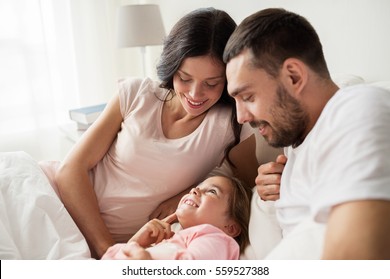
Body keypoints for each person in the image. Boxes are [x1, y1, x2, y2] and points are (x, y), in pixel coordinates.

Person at [39, 7, 260, 259]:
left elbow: (245, 190)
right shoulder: (136, 94)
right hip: (54, 201)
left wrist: (183, 194)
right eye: (185, 78)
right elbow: (70, 170)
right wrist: (106, 249)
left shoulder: (231, 124)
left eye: (211, 83)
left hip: (109, 246)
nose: (195, 94)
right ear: (172, 66)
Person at [223, 8, 390, 259]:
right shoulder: (297, 140)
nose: (241, 117)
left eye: (248, 97)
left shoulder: (358, 109)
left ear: (294, 76)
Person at [102, 175, 252, 260]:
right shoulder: (172, 240)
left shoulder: (216, 239)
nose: (195, 190)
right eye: (198, 186)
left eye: (212, 191)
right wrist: (135, 242)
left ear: (230, 227)